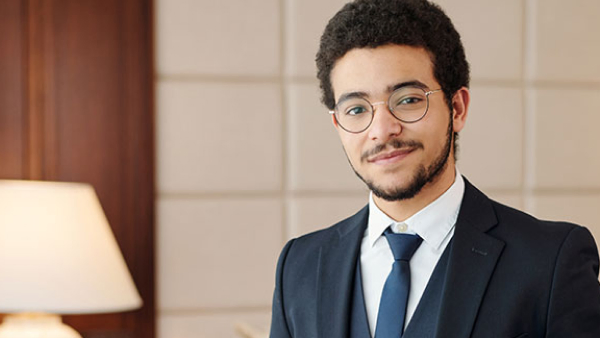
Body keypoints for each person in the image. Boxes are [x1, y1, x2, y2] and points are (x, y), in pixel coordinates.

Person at [269, 0, 600, 337]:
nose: (382, 130)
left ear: (457, 108)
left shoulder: (551, 261)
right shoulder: (299, 266)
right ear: (338, 125)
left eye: (408, 99)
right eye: (356, 109)